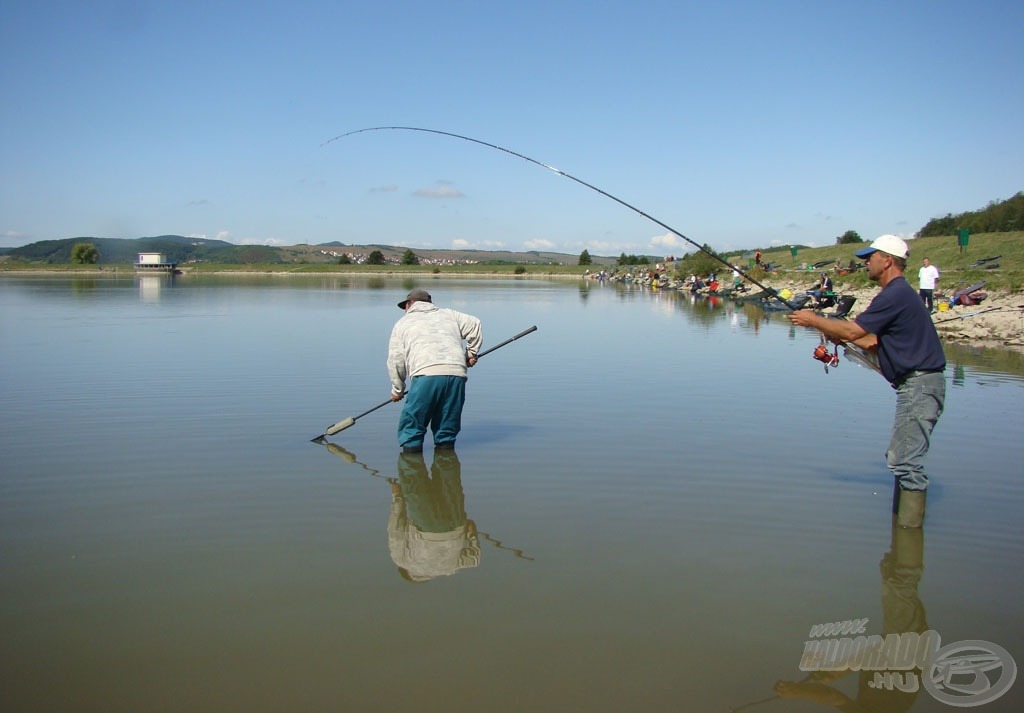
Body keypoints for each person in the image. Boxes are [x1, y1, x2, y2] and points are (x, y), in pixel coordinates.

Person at [787, 235, 945, 528]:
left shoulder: (895, 293)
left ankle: (908, 543)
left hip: (920, 384)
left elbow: (853, 330)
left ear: (887, 260)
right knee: (902, 459)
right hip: (918, 384)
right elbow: (870, 340)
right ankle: (902, 546)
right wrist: (840, 334)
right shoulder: (897, 294)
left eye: (869, 257)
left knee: (905, 462)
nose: (865, 263)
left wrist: (813, 319)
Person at [387, 289, 483, 453]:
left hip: (425, 375)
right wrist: (470, 353)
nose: (405, 310)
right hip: (457, 374)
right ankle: (446, 467)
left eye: (405, 306)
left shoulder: (402, 323)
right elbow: (475, 324)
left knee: (412, 428)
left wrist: (398, 390)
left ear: (410, 305)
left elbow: (396, 360)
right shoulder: (449, 314)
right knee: (446, 430)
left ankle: (411, 471)